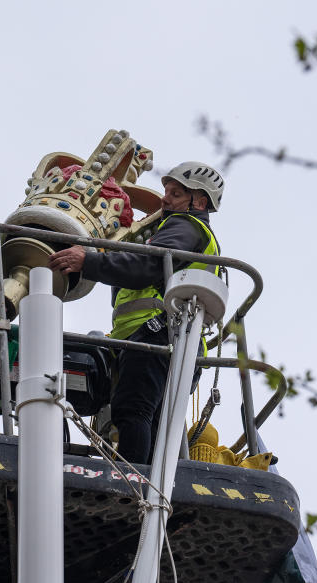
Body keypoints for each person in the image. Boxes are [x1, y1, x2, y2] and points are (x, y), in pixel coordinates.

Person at [48, 161, 224, 464]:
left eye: (176, 193)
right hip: (168, 340)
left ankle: (132, 485)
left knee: (132, 410)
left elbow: (147, 268)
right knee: (151, 423)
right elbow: (137, 273)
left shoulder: (184, 226)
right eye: (166, 191)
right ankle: (146, 486)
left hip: (158, 336)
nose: (165, 199)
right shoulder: (179, 232)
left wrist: (88, 261)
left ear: (200, 201)